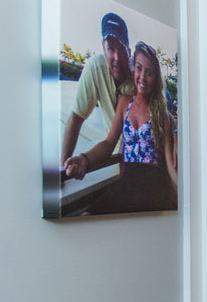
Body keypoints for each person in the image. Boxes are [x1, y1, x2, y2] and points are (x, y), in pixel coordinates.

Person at [64, 42, 177, 214]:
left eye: (149, 73)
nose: (142, 77)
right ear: (133, 69)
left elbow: (170, 165)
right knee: (87, 215)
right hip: (127, 182)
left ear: (155, 78)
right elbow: (109, 143)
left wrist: (187, 196)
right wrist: (83, 159)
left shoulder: (161, 114)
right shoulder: (124, 102)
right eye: (139, 68)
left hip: (152, 187)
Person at [62, 12, 135, 164]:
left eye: (121, 49)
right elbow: (76, 118)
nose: (117, 57)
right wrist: (64, 168)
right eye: (111, 49)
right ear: (103, 47)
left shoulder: (139, 78)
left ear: (129, 51)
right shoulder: (95, 67)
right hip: (113, 151)